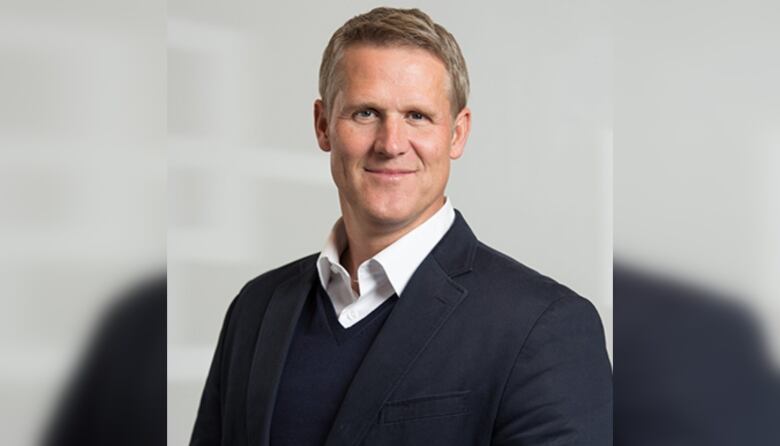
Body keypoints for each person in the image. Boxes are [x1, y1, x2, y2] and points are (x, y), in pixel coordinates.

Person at [190, 7, 612, 446]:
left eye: (417, 116)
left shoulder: (543, 327)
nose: (391, 144)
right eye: (366, 113)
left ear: (457, 134)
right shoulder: (256, 310)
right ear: (322, 126)